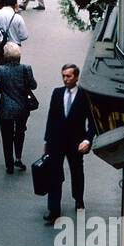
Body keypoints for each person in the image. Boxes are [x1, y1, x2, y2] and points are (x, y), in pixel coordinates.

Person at [42, 64, 97, 225]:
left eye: (69, 76)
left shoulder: (84, 96)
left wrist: (87, 140)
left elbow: (93, 121)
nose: (65, 79)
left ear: (76, 77)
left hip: (76, 142)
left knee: (77, 171)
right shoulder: (57, 93)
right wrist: (47, 140)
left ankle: (78, 199)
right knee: (54, 174)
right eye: (64, 76)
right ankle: (53, 210)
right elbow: (51, 118)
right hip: (57, 142)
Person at [0, 41, 37, 173]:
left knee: (6, 136)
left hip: (6, 108)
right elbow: (33, 85)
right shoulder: (26, 68)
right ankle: (18, 157)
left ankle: (9, 164)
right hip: (23, 107)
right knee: (20, 133)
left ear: (5, 56)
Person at [0, 0, 27, 67]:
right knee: (15, 68)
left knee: (1, 66)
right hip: (14, 47)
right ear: (15, 5)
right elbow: (24, 36)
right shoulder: (18, 17)